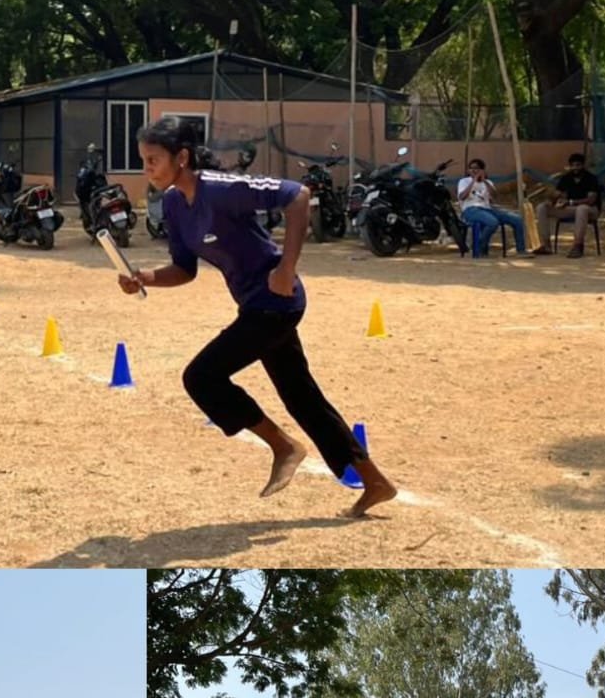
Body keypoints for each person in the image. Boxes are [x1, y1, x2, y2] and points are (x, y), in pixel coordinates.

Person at [124, 114, 398, 515]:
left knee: (201, 377)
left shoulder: (222, 189)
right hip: (254, 306)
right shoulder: (173, 204)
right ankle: (375, 482)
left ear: (181, 157)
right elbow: (184, 269)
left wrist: (286, 268)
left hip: (277, 303)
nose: (146, 168)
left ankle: (283, 446)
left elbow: (298, 195)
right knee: (302, 398)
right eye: (143, 160)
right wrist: (144, 278)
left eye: (153, 159)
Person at [455, 158, 534, 256]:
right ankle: (480, 246)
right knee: (492, 222)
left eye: (477, 168)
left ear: (482, 170)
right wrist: (473, 181)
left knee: (517, 220)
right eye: (471, 168)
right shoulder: (464, 181)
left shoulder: (488, 182)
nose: (474, 170)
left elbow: (495, 196)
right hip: (471, 210)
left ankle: (521, 250)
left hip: (487, 209)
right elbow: (462, 197)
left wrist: (485, 181)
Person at [544, 152, 601, 256]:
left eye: (578, 165)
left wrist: (571, 202)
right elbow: (557, 193)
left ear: (583, 165)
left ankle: (578, 246)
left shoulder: (591, 178)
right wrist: (551, 198)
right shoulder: (566, 178)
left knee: (582, 208)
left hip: (590, 210)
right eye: (573, 165)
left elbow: (591, 200)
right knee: (542, 207)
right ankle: (545, 245)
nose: (575, 168)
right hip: (571, 209)